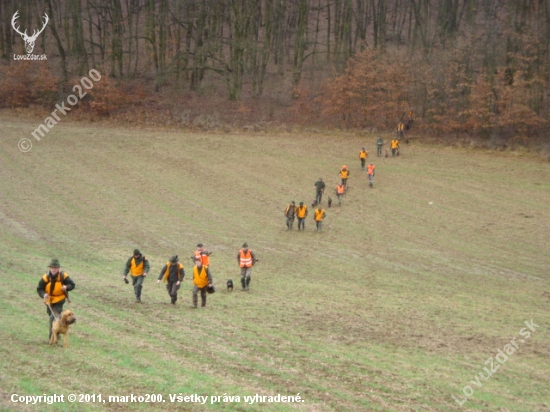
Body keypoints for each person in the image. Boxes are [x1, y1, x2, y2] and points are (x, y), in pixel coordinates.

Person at [36, 259, 76, 341]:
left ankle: (51, 338)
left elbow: (72, 284)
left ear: (58, 268)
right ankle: (57, 333)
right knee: (54, 317)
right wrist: (43, 294)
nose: (54, 269)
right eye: (52, 268)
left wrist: (66, 287)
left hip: (60, 300)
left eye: (56, 268)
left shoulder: (63, 276)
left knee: (53, 317)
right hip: (49, 301)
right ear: (50, 268)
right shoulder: (45, 277)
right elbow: (39, 289)